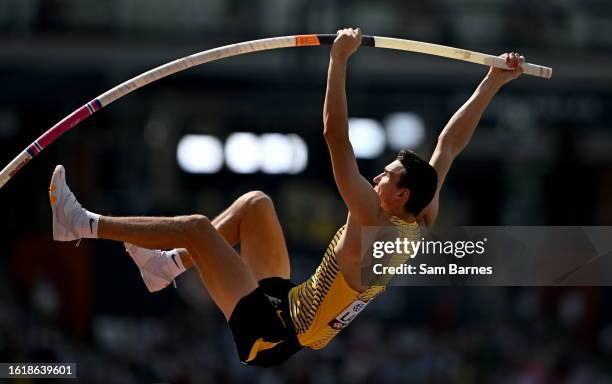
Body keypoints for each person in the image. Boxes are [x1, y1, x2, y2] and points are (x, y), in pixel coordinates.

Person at [48, 28, 525, 367]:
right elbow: (449, 144)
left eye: (387, 175)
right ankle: (166, 265)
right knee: (257, 203)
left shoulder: (371, 219)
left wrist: (338, 60)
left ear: (400, 194)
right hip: (287, 304)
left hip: (272, 335)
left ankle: (83, 223)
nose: (377, 175)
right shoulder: (419, 215)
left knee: (197, 227)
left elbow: (335, 137)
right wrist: (492, 81)